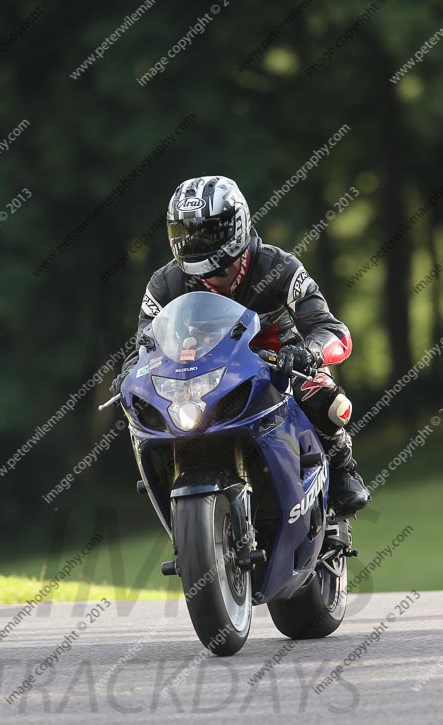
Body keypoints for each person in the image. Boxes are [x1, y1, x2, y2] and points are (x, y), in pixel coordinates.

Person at [112, 175, 370, 516]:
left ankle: (341, 468)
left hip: (281, 364)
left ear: (237, 225)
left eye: (209, 232)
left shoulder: (281, 267)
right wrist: (131, 371)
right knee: (145, 415)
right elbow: (145, 344)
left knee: (328, 402)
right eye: (186, 233)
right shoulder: (166, 283)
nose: (196, 242)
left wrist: (307, 353)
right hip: (208, 377)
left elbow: (331, 330)